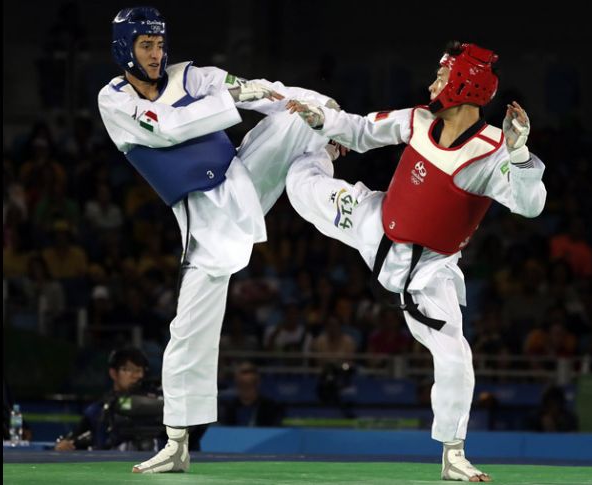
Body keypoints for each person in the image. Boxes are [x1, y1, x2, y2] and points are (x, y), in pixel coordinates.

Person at [284, 41, 547, 481]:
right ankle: (322, 155)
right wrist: (324, 122)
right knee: (299, 185)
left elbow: (530, 204)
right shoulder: (418, 119)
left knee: (455, 356)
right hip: (372, 223)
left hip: (429, 273)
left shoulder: (489, 151)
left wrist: (519, 154)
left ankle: (453, 454)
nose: (431, 85)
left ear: (464, 85)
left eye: (441, 77)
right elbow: (362, 129)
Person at [97, 6, 334, 473]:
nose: (156, 54)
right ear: (125, 47)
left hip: (242, 177)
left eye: (160, 44)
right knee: (188, 331)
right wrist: (233, 98)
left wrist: (325, 115)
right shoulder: (114, 100)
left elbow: (266, 94)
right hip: (205, 218)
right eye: (146, 45)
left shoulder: (193, 76)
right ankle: (176, 443)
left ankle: (344, 139)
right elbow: (166, 128)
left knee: (294, 117)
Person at [54, 347, 163, 451]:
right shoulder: (100, 408)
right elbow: (73, 438)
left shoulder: (158, 400)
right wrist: (66, 444)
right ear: (113, 373)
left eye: (139, 370)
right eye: (129, 370)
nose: (135, 376)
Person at [219, 361, 284, 427]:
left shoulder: (271, 407)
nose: (246, 390)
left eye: (250, 385)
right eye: (243, 385)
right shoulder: (229, 408)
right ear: (236, 384)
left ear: (258, 383)